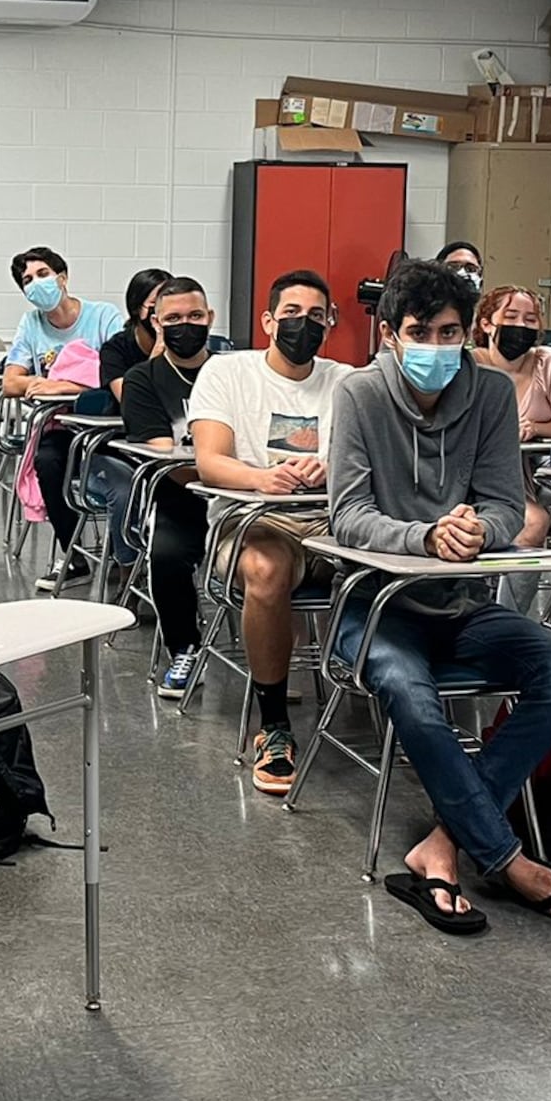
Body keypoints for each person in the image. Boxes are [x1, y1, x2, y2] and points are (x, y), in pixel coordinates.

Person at [328, 259, 551, 936]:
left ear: (468, 333)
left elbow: (505, 505)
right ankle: (512, 862)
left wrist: (478, 529)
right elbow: (348, 515)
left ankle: (444, 843)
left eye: (449, 331)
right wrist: (425, 536)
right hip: (376, 607)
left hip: (460, 603)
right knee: (412, 693)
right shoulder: (360, 395)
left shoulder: (488, 393)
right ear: (392, 335)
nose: (435, 345)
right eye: (419, 331)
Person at [190, 270, 347, 793]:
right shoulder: (227, 372)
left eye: (316, 317)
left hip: (331, 517)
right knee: (266, 567)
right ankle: (275, 724)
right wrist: (263, 478)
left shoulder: (348, 381)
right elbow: (210, 463)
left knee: (389, 563)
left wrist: (333, 467)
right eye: (292, 316)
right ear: (267, 321)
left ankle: (392, 703)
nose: (304, 326)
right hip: (254, 515)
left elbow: (370, 459)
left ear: (331, 323)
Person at [116, 277, 220, 697]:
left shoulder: (233, 370)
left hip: (249, 496)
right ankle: (185, 648)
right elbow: (169, 459)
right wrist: (230, 472)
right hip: (182, 496)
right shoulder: (144, 379)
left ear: (210, 318)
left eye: (195, 316)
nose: (186, 325)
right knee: (167, 555)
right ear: (157, 323)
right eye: (173, 318)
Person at [3, 246, 124, 591]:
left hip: (106, 425)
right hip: (61, 425)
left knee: (122, 470)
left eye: (42, 274)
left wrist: (66, 384)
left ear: (63, 277)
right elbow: (12, 381)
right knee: (47, 462)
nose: (36, 284)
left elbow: (119, 370)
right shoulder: (31, 323)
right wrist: (41, 384)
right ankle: (74, 554)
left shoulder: (103, 316)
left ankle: (124, 554)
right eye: (27, 281)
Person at [471, 284, 551, 546]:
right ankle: (499, 586)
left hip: (541, 469)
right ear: (487, 324)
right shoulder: (471, 365)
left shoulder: (549, 362)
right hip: (489, 473)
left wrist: (535, 427)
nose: (520, 325)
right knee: (534, 522)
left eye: (530, 319)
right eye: (510, 317)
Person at [98, 266, 172, 403]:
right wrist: (156, 356)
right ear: (137, 307)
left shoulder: (182, 343)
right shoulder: (115, 349)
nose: (163, 311)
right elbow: (129, 399)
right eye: (155, 304)